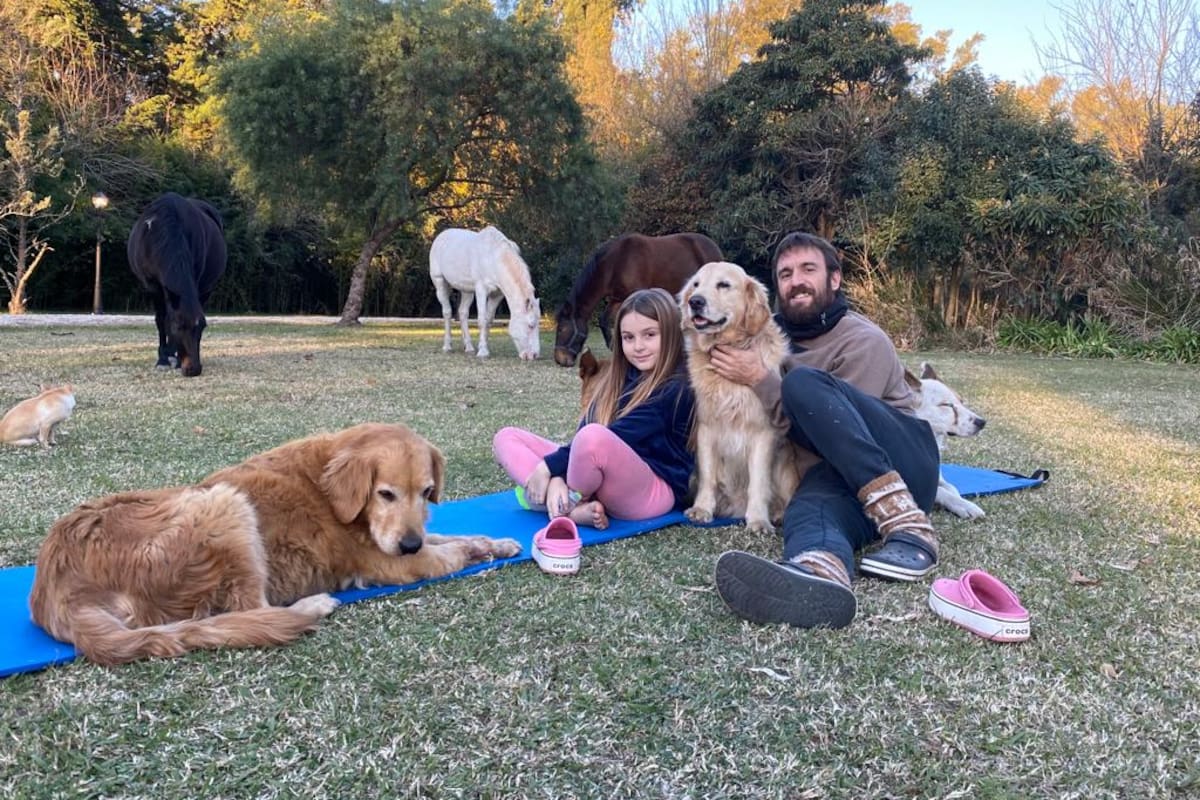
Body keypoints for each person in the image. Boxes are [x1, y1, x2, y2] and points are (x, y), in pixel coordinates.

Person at [708, 231, 940, 630]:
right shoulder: (767, 340)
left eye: (808, 269)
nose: (795, 280)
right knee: (810, 509)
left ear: (834, 279)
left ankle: (909, 524)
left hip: (903, 463)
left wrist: (761, 379)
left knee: (803, 384)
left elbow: (838, 441)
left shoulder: (862, 340)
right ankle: (818, 574)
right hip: (836, 482)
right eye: (785, 274)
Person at [493, 287, 695, 530]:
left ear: (672, 334)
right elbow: (583, 436)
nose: (638, 346)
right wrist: (556, 475)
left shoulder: (678, 387)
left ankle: (559, 500)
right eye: (629, 337)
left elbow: (609, 438)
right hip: (596, 475)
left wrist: (548, 467)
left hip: (651, 489)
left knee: (593, 438)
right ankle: (570, 506)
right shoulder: (618, 378)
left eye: (650, 335)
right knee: (507, 437)